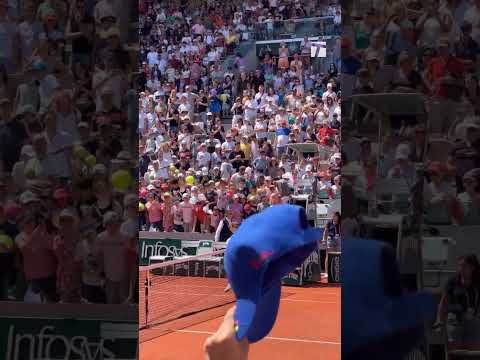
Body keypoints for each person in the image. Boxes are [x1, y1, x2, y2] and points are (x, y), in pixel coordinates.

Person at [434, 254, 480, 342]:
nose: (461, 269)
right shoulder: (452, 282)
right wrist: (438, 320)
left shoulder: (477, 282)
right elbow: (443, 303)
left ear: (472, 268)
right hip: (455, 321)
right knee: (455, 350)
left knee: (473, 351)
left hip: (473, 321)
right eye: (459, 266)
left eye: (464, 266)